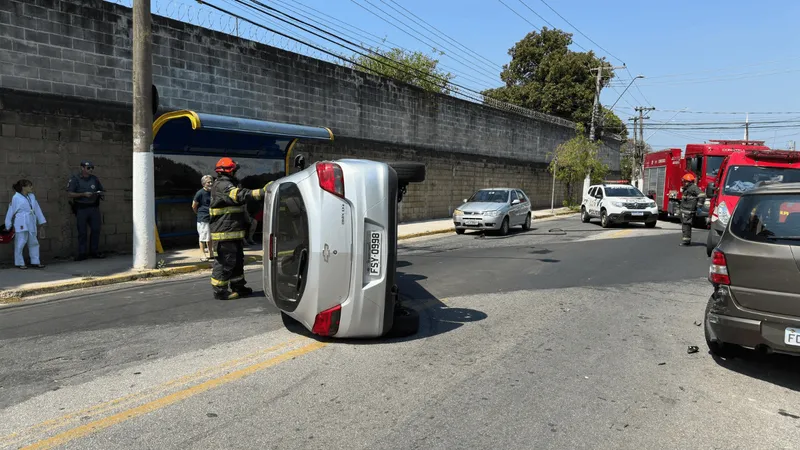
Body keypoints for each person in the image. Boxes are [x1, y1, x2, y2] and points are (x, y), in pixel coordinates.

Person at [209, 157, 270, 300]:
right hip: (225, 234)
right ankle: (220, 291)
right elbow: (240, 195)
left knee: (237, 261)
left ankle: (238, 286)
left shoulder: (228, 183)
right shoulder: (223, 185)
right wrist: (262, 192)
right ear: (230, 171)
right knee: (225, 262)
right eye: (235, 170)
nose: (236, 173)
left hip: (233, 233)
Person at [67, 161, 105, 260]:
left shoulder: (94, 179)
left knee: (96, 230)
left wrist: (99, 193)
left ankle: (94, 251)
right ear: (82, 168)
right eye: (88, 168)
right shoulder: (75, 179)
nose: (91, 170)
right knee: (82, 232)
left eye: (92, 168)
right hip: (81, 208)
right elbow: (70, 194)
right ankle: (82, 253)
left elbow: (101, 190)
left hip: (94, 208)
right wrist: (83, 194)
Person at [5, 179, 47, 269]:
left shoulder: (32, 196)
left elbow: (37, 209)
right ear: (23, 187)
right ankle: (19, 262)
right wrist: (8, 224)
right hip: (21, 222)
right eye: (29, 185)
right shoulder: (16, 198)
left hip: (31, 221)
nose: (31, 187)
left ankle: (35, 261)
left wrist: (41, 221)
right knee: (20, 243)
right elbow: (10, 210)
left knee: (34, 242)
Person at [192, 175, 215, 261]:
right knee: (203, 237)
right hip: (203, 218)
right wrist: (198, 214)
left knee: (210, 237)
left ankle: (211, 253)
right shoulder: (200, 193)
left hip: (212, 217)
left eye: (211, 181)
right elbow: (194, 205)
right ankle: (203, 254)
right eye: (208, 182)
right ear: (203, 184)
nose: (210, 183)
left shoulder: (213, 192)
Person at [679, 172, 703, 246]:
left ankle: (686, 241)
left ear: (688, 181)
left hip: (688, 210)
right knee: (685, 225)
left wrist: (699, 205)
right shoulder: (688, 188)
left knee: (686, 225)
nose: (684, 183)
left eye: (685, 181)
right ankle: (686, 241)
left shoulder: (693, 188)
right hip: (686, 210)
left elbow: (702, 195)